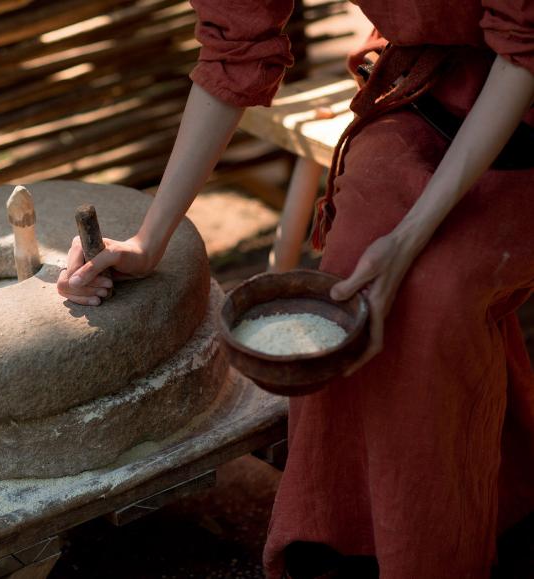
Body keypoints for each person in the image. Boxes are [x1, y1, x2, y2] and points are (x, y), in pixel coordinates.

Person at [56, 1, 534, 577]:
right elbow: (236, 43)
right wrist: (149, 239)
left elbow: (522, 43)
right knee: (345, 301)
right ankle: (340, 544)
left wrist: (409, 237)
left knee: (432, 299)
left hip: (521, 90)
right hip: (427, 89)